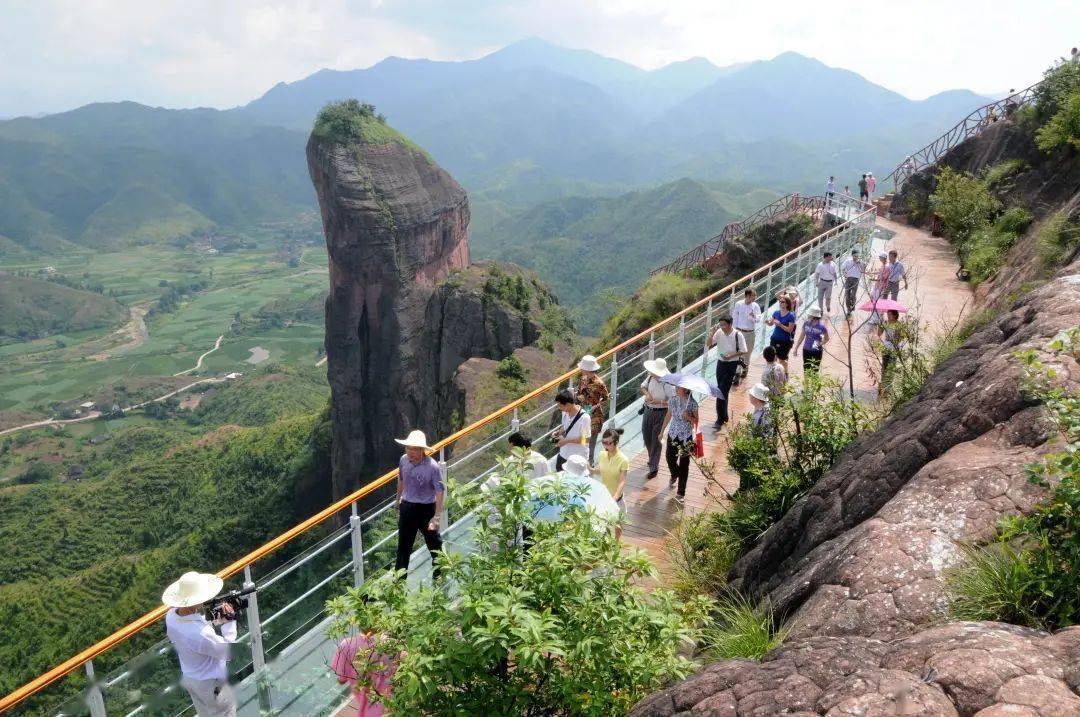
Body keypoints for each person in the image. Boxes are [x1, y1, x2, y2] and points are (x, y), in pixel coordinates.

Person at [163, 571, 238, 717]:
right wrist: (229, 622)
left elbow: (193, 632)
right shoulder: (201, 634)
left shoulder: (171, 616)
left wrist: (212, 622)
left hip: (192, 679)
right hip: (212, 684)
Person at [393, 430, 444, 578]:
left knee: (434, 543)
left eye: (415, 449)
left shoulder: (432, 467)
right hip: (407, 506)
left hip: (426, 509)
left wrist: (437, 517)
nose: (411, 452)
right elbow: (401, 480)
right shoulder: (403, 460)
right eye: (408, 448)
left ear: (422, 450)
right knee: (403, 547)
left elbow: (440, 491)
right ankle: (399, 581)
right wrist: (398, 501)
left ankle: (439, 574)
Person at [331, 631, 396, 716]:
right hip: (398, 700)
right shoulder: (390, 638)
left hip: (371, 708)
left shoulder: (346, 645)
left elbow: (341, 679)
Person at [706, 315, 746, 430]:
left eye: (724, 324)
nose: (722, 327)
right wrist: (712, 333)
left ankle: (719, 419)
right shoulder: (718, 332)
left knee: (721, 391)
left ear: (730, 324)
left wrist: (731, 356)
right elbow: (708, 344)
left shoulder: (738, 334)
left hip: (731, 364)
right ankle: (725, 416)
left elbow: (744, 350)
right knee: (723, 390)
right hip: (720, 364)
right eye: (721, 324)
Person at [660, 385, 698, 502]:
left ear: (685, 389)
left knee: (684, 464)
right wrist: (662, 431)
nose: (676, 389)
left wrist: (689, 417)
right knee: (669, 457)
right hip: (673, 433)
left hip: (686, 436)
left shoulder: (693, 403)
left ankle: (681, 492)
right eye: (676, 388)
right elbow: (668, 415)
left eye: (679, 388)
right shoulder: (673, 399)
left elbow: (696, 422)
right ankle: (675, 473)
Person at [591, 427, 629, 539]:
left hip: (616, 499)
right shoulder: (602, 455)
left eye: (609, 443)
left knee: (618, 524)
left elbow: (622, 481)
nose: (606, 445)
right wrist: (590, 469)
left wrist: (615, 497)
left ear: (616, 442)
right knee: (601, 526)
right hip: (604, 496)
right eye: (603, 442)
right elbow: (602, 470)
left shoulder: (623, 460)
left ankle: (617, 544)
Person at [639, 358, 672, 480]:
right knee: (646, 436)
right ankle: (651, 457)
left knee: (656, 439)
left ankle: (654, 467)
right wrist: (647, 394)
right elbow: (642, 387)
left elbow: (672, 401)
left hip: (660, 412)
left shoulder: (667, 384)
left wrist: (660, 401)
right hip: (648, 410)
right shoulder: (650, 378)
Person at [574, 355, 609, 462]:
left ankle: (590, 464)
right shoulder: (582, 379)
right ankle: (583, 463)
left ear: (587, 369)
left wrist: (596, 405)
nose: (580, 369)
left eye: (582, 367)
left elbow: (606, 397)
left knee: (590, 442)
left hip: (594, 417)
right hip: (582, 413)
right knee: (583, 441)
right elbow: (579, 394)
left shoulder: (599, 383)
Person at [553, 389, 589, 471]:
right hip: (563, 455)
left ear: (568, 404)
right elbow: (565, 426)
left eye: (560, 406)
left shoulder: (584, 418)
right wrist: (558, 432)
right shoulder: (565, 412)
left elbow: (585, 439)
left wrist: (566, 441)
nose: (559, 408)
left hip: (577, 459)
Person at [731, 288, 761, 382]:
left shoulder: (755, 306)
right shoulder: (738, 304)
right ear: (747, 296)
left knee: (748, 352)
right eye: (753, 295)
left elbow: (758, 319)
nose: (755, 297)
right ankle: (737, 373)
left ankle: (745, 368)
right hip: (739, 332)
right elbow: (734, 318)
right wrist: (734, 331)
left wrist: (753, 316)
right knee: (739, 352)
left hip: (750, 332)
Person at [793, 307, 829, 375]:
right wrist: (796, 348)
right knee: (806, 370)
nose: (808, 315)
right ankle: (806, 385)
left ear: (814, 316)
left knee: (815, 371)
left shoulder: (822, 327)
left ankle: (813, 385)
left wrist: (820, 344)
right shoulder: (806, 323)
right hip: (806, 349)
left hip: (817, 351)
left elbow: (827, 338)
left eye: (810, 314)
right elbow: (802, 336)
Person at [766, 295, 797, 372]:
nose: (780, 303)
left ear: (787, 304)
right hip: (774, 338)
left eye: (782, 302)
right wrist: (767, 322)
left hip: (784, 341)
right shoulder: (776, 313)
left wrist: (780, 325)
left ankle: (785, 374)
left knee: (782, 360)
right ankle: (773, 374)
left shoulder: (791, 315)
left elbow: (790, 330)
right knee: (772, 358)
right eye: (780, 301)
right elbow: (771, 324)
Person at [876, 309, 903, 396]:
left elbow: (900, 339)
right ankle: (883, 384)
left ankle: (888, 387)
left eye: (890, 315)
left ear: (895, 315)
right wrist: (880, 325)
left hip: (894, 348)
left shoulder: (898, 325)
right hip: (886, 348)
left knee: (891, 367)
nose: (888, 316)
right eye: (887, 315)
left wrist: (896, 335)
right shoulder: (886, 323)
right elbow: (879, 334)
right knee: (884, 366)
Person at [841, 249, 864, 314]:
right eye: (854, 256)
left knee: (853, 295)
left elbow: (863, 270)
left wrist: (860, 264)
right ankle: (848, 309)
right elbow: (842, 268)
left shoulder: (861, 262)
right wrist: (844, 274)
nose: (856, 257)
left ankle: (853, 305)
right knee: (847, 295)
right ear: (852, 255)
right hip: (848, 279)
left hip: (856, 280)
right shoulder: (848, 261)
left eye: (857, 256)